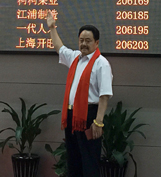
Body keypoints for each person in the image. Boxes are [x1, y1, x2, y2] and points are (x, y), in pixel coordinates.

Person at [46, 11, 113, 177]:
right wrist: (52, 28)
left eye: (88, 41)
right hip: (72, 116)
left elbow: (104, 95)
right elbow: (59, 48)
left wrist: (98, 122)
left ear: (96, 43)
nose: (84, 44)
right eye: (81, 40)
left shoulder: (101, 63)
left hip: (90, 117)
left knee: (89, 160)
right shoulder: (75, 58)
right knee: (73, 159)